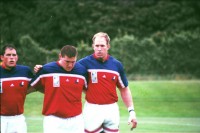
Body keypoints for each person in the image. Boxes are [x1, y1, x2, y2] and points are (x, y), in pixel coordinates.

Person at [78, 32, 137, 133]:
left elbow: (124, 89)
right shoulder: (83, 64)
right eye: (97, 46)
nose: (99, 48)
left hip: (111, 110)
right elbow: (66, 71)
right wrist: (43, 69)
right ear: (93, 46)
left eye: (102, 45)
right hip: (92, 109)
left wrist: (131, 111)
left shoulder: (117, 65)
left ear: (108, 46)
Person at [30, 45, 87, 133]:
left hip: (76, 120)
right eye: (67, 61)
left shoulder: (82, 71)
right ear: (60, 56)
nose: (70, 65)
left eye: (73, 62)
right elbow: (32, 88)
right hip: (53, 121)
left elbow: (89, 91)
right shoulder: (46, 70)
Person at [0, 44, 34, 133]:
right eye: (8, 55)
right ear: (2, 57)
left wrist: (39, 69)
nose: (12, 57)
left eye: (14, 55)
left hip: (18, 119)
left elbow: (37, 85)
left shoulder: (25, 71)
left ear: (17, 57)